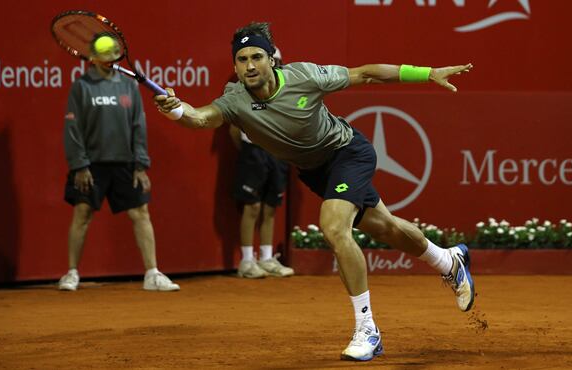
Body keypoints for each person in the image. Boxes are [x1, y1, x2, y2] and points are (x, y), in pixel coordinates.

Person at [154, 22, 474, 361]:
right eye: (242, 59)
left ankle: (367, 330)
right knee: (386, 228)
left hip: (347, 152)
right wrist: (176, 109)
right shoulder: (234, 99)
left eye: (257, 57)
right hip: (315, 172)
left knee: (334, 226)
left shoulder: (304, 77)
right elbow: (201, 118)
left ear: (272, 59)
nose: (250, 65)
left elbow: (365, 74)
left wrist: (426, 73)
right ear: (235, 66)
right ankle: (448, 260)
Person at [58, 34, 179, 292]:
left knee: (140, 213)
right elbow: (72, 127)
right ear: (93, 59)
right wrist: (79, 165)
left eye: (113, 57)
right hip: (91, 165)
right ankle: (71, 273)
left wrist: (140, 165)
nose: (110, 61)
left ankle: (152, 274)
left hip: (125, 163)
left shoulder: (128, 85)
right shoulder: (81, 86)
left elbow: (138, 125)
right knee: (82, 213)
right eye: (104, 58)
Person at [229, 47, 294, 279]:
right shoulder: (242, 91)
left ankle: (266, 258)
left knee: (270, 206)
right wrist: (250, 149)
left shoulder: (286, 88)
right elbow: (234, 130)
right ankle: (247, 261)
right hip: (253, 153)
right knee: (252, 206)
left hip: (278, 153)